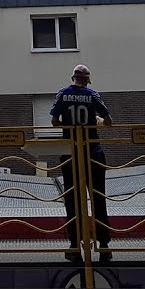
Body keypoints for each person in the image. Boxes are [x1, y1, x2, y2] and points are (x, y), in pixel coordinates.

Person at [50, 64, 113, 263]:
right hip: (93, 152)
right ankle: (104, 247)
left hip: (70, 152)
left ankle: (75, 246)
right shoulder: (93, 95)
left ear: (73, 77)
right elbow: (109, 121)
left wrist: (69, 127)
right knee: (98, 198)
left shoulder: (63, 93)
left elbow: (54, 121)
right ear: (87, 79)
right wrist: (96, 121)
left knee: (73, 199)